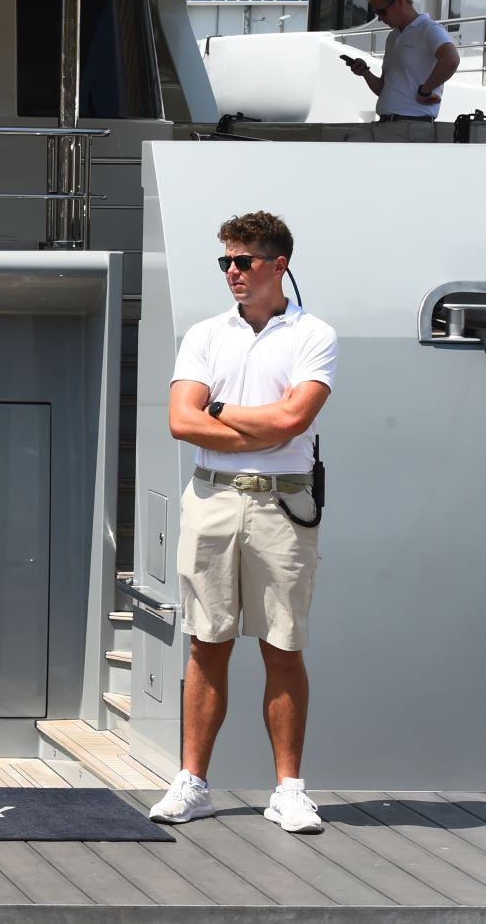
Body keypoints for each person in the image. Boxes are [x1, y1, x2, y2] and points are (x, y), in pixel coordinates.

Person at [151, 211, 337, 835]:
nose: (232, 272)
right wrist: (257, 426)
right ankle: (193, 782)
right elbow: (181, 421)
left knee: (282, 646)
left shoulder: (314, 334)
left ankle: (289, 789)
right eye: (225, 262)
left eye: (243, 261)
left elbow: (294, 423)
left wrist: (223, 412)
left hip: (283, 507)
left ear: (278, 264)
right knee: (207, 642)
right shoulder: (206, 334)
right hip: (211, 500)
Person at [341, 0, 459, 122]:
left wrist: (425, 90)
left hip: (412, 126)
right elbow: (383, 89)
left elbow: (451, 60)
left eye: (382, 12)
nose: (380, 18)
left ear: (400, 2)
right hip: (386, 124)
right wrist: (365, 72)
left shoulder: (429, 29)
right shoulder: (393, 37)